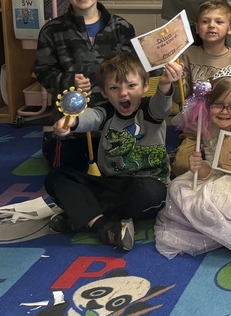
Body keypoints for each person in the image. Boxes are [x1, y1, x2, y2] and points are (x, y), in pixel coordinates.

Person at [45, 53, 180, 251]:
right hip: (111, 184)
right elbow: (91, 117)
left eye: (131, 86)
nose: (123, 93)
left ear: (145, 86)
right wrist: (72, 122)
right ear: (104, 92)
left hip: (147, 185)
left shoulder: (150, 111)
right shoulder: (106, 112)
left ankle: (85, 217)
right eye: (114, 88)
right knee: (56, 177)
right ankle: (102, 226)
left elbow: (162, 105)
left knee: (152, 193)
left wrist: (165, 84)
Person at [154, 65, 231, 260]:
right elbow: (212, 169)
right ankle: (217, 229)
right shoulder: (208, 125)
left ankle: (227, 230)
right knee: (178, 188)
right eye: (217, 104)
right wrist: (199, 168)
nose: (224, 111)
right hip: (221, 177)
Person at [34, 0, 135, 171]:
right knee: (66, 176)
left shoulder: (122, 28)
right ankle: (52, 144)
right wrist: (68, 81)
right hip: (71, 125)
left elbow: (134, 69)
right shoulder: (52, 31)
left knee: (119, 172)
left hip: (114, 121)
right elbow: (43, 71)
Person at [172, 0, 231, 108]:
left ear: (230, 29)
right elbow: (178, 98)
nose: (211, 25)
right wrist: (174, 78)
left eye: (219, 22)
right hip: (191, 116)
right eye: (205, 21)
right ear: (197, 28)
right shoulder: (186, 55)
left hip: (225, 116)